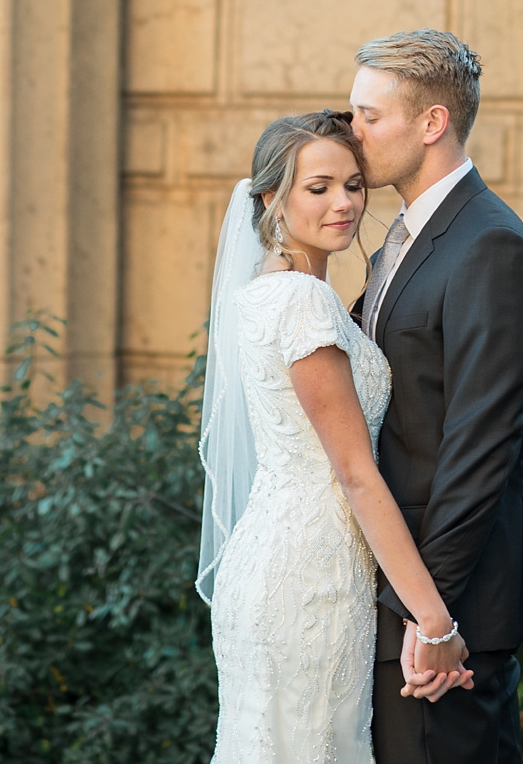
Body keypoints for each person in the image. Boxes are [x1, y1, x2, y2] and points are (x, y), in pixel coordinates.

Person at [197, 109, 476, 762]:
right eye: (318, 188)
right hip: (308, 578)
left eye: (354, 184)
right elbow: (355, 473)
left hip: (276, 561)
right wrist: (435, 621)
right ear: (272, 198)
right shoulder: (302, 302)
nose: (344, 203)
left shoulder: (263, 294)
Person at [347, 29, 523, 764]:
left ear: (431, 123)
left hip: (447, 609)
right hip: (395, 593)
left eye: (371, 115)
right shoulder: (401, 239)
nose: (353, 133)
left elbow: (479, 447)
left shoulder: (489, 247)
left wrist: (425, 617)